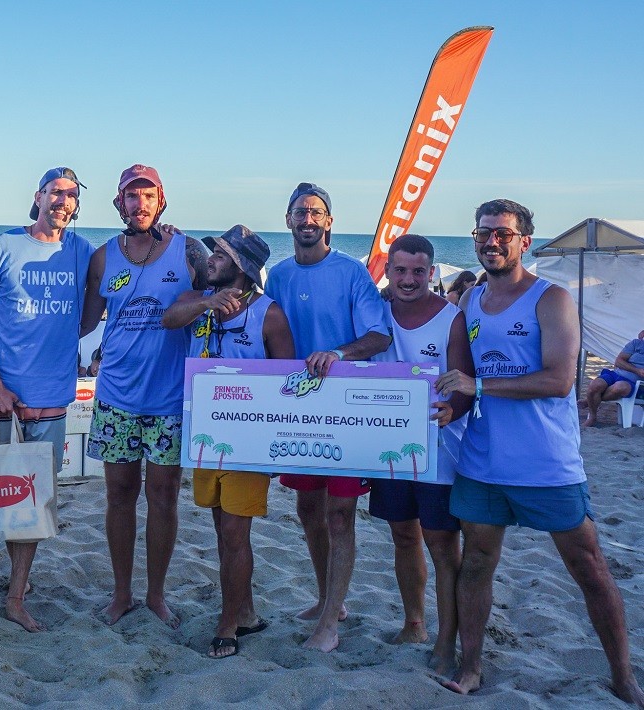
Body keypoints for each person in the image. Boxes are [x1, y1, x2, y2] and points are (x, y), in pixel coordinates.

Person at [435, 199, 644, 705]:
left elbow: (555, 380)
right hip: (483, 461)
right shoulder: (470, 303)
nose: (492, 242)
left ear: (524, 240)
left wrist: (477, 386)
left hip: (547, 463)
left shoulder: (552, 299)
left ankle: (622, 675)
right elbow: (462, 387)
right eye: (484, 233)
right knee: (477, 564)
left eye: (503, 234)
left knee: (589, 566)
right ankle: (471, 667)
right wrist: (445, 411)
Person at [264, 182, 391, 652]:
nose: (307, 219)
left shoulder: (352, 273)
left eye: (316, 212)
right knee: (307, 509)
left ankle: (331, 626)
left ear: (329, 222)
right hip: (297, 411)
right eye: (299, 212)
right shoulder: (277, 276)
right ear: (288, 221)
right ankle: (327, 601)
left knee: (341, 517)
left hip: (345, 412)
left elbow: (378, 336)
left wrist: (339, 353)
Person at [0, 167, 94, 631]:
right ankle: (3, 580)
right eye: (56, 192)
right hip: (0, 399)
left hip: (52, 401)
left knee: (34, 502)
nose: (63, 201)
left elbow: (97, 305)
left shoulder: (81, 251)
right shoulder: (2, 247)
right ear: (38, 196)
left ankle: (16, 592)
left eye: (71, 195)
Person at [82, 164, 209, 628]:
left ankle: (156, 594)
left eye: (147, 195)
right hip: (116, 395)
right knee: (118, 495)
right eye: (130, 196)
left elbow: (230, 290)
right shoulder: (101, 257)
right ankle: (121, 593)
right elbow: (84, 322)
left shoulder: (190, 249)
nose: (139, 204)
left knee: (163, 497)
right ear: (119, 203)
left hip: (170, 399)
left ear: (162, 201)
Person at [162, 225, 294, 658]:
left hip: (248, 441)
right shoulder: (198, 301)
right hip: (206, 436)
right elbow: (169, 318)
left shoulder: (268, 314)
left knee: (236, 533)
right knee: (223, 531)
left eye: (219, 254)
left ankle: (226, 624)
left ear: (240, 267)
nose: (210, 260)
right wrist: (207, 301)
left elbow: (286, 381)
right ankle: (248, 613)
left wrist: (274, 446)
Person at [368, 234, 473, 674]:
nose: (408, 279)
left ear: (431, 273)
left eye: (418, 271)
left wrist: (453, 409)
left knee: (442, 544)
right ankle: (415, 622)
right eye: (400, 270)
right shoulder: (374, 313)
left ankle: (447, 638)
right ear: (388, 271)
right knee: (402, 535)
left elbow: (464, 384)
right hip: (389, 445)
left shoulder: (451, 318)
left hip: (439, 447)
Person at [582, 331, 644, 427]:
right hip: (615, 374)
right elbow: (618, 362)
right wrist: (637, 370)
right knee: (595, 385)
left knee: (620, 387)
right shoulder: (636, 343)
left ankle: (589, 400)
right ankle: (592, 417)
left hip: (635, 384)